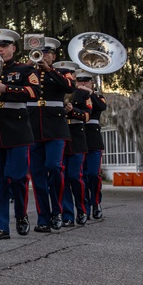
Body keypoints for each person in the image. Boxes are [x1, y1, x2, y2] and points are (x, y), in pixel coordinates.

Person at [0, 28, 40, 240]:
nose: (0, 50)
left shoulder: (25, 69)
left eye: (4, 46)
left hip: (17, 130)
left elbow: (35, 93)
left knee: (17, 177)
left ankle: (21, 214)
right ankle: (0, 225)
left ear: (13, 48)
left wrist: (7, 89)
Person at [27, 37, 75, 233]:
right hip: (32, 127)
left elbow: (69, 87)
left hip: (55, 127)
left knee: (54, 167)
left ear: (53, 56)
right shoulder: (28, 71)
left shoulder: (62, 72)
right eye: (40, 52)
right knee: (37, 175)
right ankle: (43, 218)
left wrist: (49, 70)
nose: (43, 55)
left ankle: (58, 210)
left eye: (46, 52)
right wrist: (28, 66)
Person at [63, 73, 93, 226]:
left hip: (77, 139)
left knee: (75, 177)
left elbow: (87, 115)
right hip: (60, 136)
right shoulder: (54, 92)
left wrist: (73, 110)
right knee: (62, 180)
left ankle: (82, 210)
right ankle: (67, 215)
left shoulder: (82, 94)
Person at [83, 80, 107, 220]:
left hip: (94, 139)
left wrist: (90, 93)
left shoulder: (98, 97)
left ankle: (96, 202)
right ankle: (84, 207)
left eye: (86, 81)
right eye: (80, 81)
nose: (83, 84)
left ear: (92, 84)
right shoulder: (75, 96)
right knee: (82, 176)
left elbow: (101, 106)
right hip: (78, 138)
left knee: (93, 174)